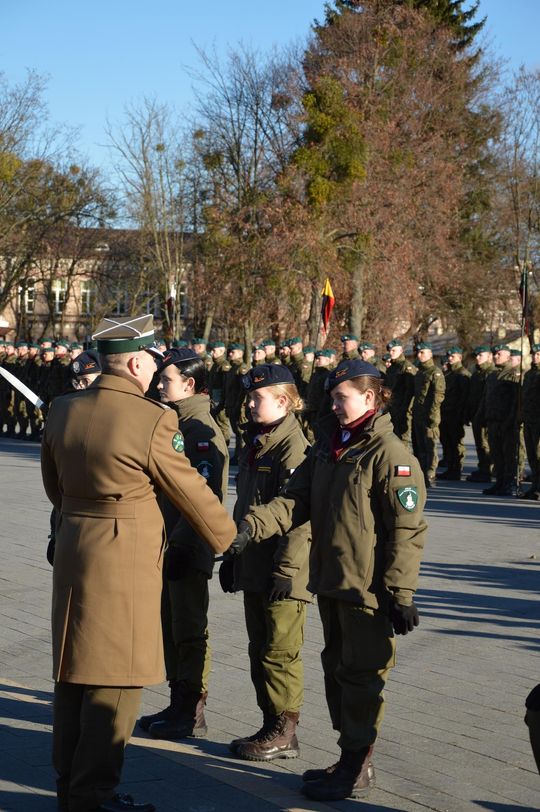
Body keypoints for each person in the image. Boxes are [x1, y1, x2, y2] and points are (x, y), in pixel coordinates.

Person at [41, 315, 237, 812]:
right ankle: (94, 794)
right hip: (123, 555)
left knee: (74, 671)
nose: (156, 366)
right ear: (134, 362)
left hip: (74, 546)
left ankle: (69, 785)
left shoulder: (63, 409)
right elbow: (190, 490)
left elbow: (52, 485)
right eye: (152, 358)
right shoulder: (152, 417)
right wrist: (230, 538)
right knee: (117, 678)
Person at [232, 359, 427, 801]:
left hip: (368, 592)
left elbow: (406, 529)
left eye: (342, 398)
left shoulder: (389, 455)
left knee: (361, 678)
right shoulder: (330, 448)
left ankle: (358, 765)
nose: (334, 406)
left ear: (370, 398)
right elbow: (293, 501)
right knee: (338, 673)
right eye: (332, 398)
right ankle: (350, 757)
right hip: (331, 582)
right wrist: (250, 528)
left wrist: (401, 592)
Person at [220, 364, 312, 762]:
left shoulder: (292, 448)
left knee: (280, 651)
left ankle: (285, 731)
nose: (251, 404)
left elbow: (298, 519)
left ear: (285, 401)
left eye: (259, 398)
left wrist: (287, 572)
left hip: (281, 570)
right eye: (251, 397)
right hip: (256, 564)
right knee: (260, 648)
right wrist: (233, 556)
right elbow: (247, 506)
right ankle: (270, 721)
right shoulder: (258, 441)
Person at [138, 348, 230, 741]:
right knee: (172, 627)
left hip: (187, 549)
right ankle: (179, 702)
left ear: (189, 384)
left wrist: (182, 546)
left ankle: (192, 710)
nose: (160, 386)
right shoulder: (176, 421)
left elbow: (202, 498)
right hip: (170, 546)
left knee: (189, 630)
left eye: (167, 380)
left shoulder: (198, 431)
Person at [412, 342, 446, 488]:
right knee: (419, 446)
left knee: (430, 447)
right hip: (418, 415)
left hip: (429, 416)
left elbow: (438, 396)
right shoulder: (420, 372)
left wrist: (433, 416)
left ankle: (430, 475)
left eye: (423, 352)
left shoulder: (435, 372)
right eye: (418, 353)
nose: (419, 355)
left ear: (430, 354)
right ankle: (421, 474)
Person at [437, 347, 471, 481]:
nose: (450, 359)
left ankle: (456, 469)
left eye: (453, 356)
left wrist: (462, 415)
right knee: (447, 442)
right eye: (449, 356)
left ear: (460, 358)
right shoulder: (449, 374)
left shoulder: (462, 374)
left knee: (456, 443)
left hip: (455, 414)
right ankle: (451, 467)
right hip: (446, 413)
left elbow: (465, 397)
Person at [519, 343, 540, 500]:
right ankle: (535, 486)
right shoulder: (529, 375)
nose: (535, 357)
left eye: (539, 354)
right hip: (529, 420)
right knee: (532, 455)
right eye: (534, 354)